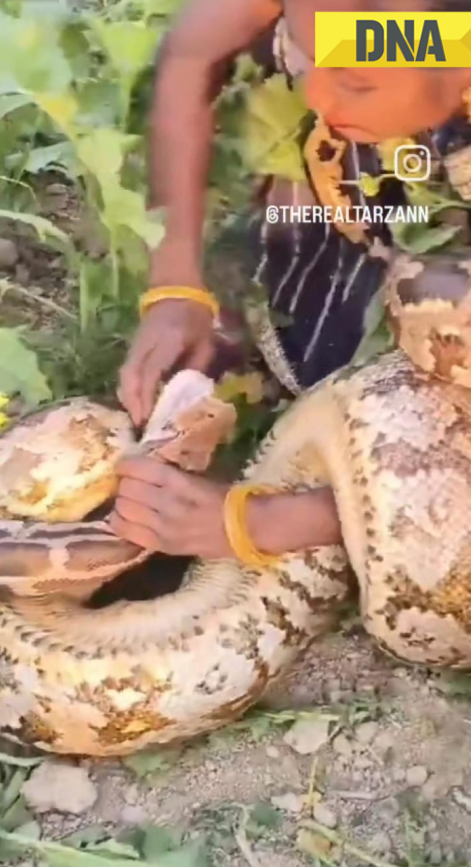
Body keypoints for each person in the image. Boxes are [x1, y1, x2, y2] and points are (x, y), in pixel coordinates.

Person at [109, 0, 471, 564]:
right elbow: (192, 47)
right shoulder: (396, 34)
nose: (318, 98)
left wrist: (276, 522)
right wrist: (175, 283)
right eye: (309, 62)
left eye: (353, 80)